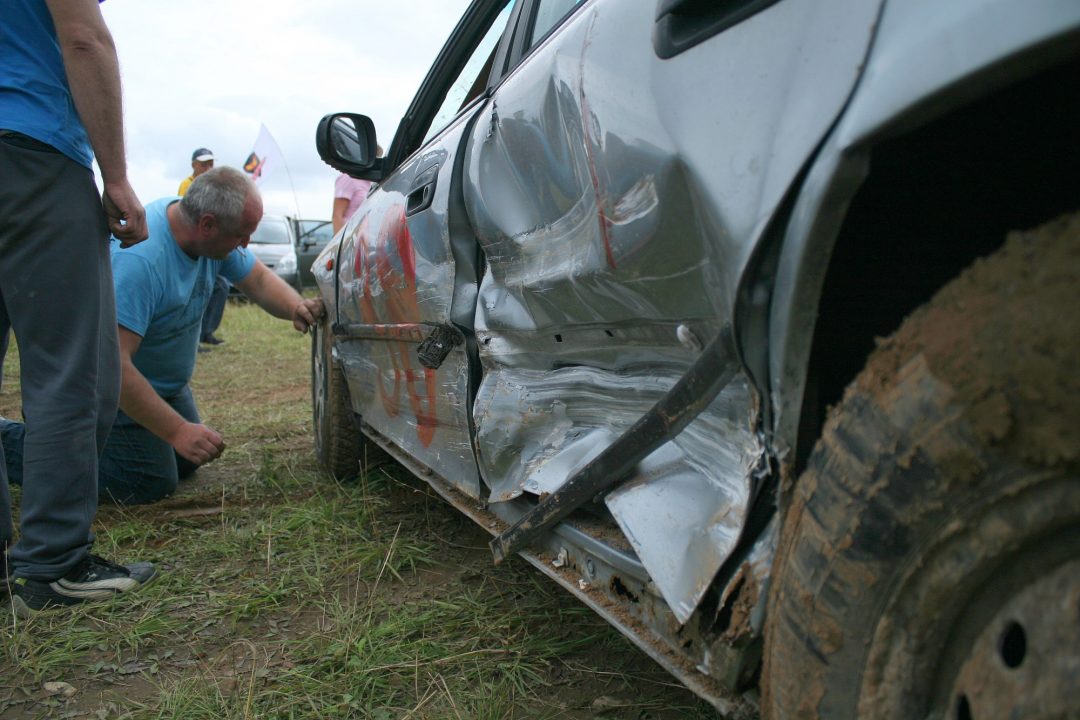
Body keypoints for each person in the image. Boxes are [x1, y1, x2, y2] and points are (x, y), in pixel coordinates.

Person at [3, 167, 324, 506]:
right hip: (105, 390)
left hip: (162, 386)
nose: (245, 245)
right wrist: (177, 430)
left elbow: (257, 280)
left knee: (187, 458)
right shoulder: (140, 263)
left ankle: (97, 444)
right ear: (207, 225)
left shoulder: (205, 233)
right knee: (146, 478)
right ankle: (20, 444)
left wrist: (296, 306)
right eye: (241, 236)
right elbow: (111, 365)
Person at [0, 0, 154, 615]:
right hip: (31, 152)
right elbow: (84, 38)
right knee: (72, 369)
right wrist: (115, 176)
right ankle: (52, 565)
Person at [178, 148, 229, 349]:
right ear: (194, 165)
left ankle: (206, 332)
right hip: (193, 250)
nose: (208, 167)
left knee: (220, 286)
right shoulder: (187, 185)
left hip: (208, 249)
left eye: (211, 164)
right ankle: (194, 338)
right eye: (204, 164)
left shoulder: (215, 188)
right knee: (197, 292)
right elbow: (188, 216)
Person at [331, 145, 382, 233]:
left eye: (376, 157)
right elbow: (337, 216)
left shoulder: (372, 182)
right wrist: (342, 241)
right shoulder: (348, 178)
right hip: (349, 237)